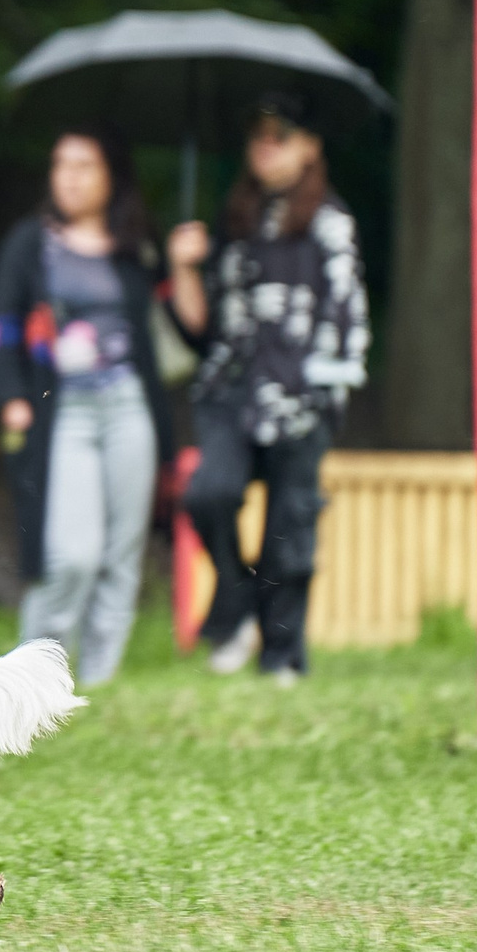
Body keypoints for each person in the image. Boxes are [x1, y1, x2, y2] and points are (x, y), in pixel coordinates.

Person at [167, 91, 372, 683]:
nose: (265, 146)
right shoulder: (235, 221)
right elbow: (202, 330)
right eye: (258, 135)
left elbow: (348, 314)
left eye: (280, 135)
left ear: (310, 147)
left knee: (290, 526)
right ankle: (235, 603)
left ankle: (282, 654)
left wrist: (327, 386)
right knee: (208, 494)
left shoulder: (331, 224)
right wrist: (183, 268)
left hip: (302, 397)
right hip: (231, 393)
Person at [0, 129, 177, 687]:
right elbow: (2, 327)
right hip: (62, 409)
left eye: (85, 165)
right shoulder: (30, 244)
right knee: (71, 554)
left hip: (130, 405)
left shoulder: (136, 247)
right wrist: (12, 396)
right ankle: (34, 675)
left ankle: (97, 679)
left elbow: (177, 327)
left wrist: (185, 266)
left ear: (112, 176)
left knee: (122, 554)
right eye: (60, 164)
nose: (69, 176)